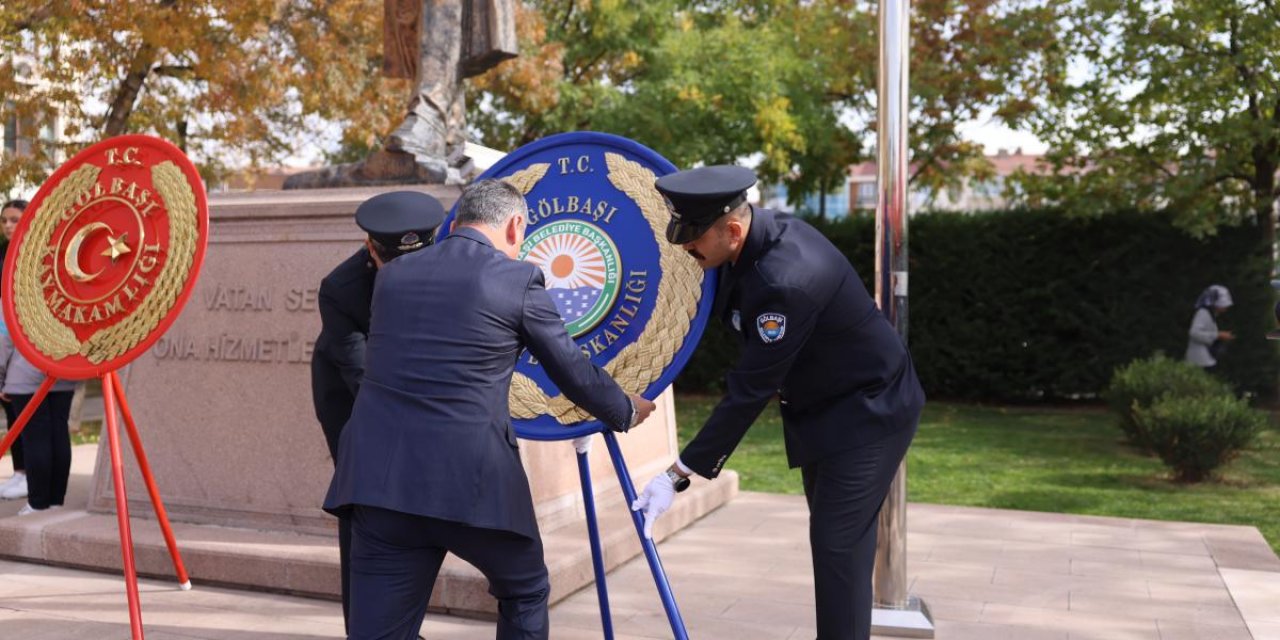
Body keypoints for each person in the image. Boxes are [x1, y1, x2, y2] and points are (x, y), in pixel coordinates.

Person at [323, 179, 656, 640]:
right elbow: (572, 370)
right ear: (515, 226)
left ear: (454, 225)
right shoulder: (517, 279)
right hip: (472, 484)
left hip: (381, 485)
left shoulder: (392, 276)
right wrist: (624, 409)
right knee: (525, 591)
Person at [631, 166, 925, 640]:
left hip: (868, 409)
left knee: (837, 546)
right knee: (838, 542)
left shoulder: (784, 281)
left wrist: (677, 473)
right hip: (823, 405)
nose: (686, 248)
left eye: (694, 239)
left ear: (732, 230)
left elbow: (750, 390)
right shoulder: (751, 242)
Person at [311, 190, 447, 633]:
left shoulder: (448, 265)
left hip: (423, 392)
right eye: (395, 264)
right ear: (371, 249)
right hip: (354, 400)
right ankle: (363, 627)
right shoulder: (341, 289)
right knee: (364, 502)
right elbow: (363, 376)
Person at [0, 325, 79, 515]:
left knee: (35, 440)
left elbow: (5, 336)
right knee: (59, 435)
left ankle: (37, 503)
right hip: (63, 369)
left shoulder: (12, 302)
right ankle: (55, 501)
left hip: (24, 372)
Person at [0, 199, 28, 501]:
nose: (8, 226)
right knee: (11, 411)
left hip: (22, 346)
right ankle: (20, 472)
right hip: (3, 341)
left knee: (24, 411)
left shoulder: (32, 256)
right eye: (4, 220)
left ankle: (31, 475)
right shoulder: (3, 255)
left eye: (15, 220)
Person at [1185, 284, 1234, 371]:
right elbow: (1194, 333)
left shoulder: (1210, 314)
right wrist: (1218, 335)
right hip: (1199, 361)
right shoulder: (1203, 313)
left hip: (1205, 359)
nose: (1226, 307)